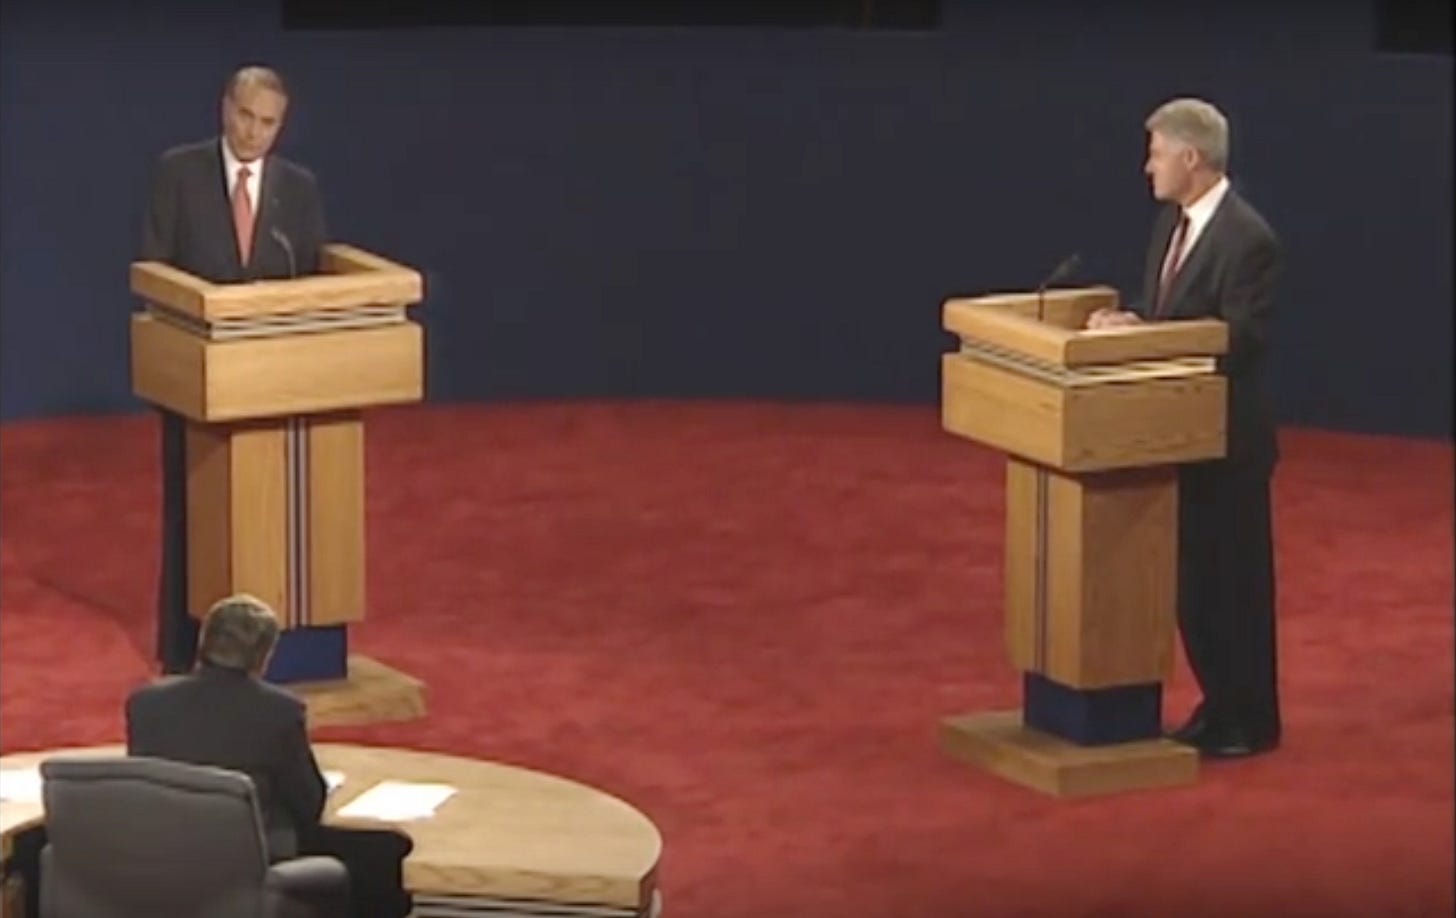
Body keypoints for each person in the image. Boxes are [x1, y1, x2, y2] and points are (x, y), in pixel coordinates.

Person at [1087, 97, 1282, 758]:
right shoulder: (1171, 226)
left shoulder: (1248, 239)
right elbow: (1169, 310)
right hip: (1179, 434)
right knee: (1196, 590)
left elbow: (1242, 338)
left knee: (1235, 586)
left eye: (1157, 154)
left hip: (1227, 440)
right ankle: (1218, 705)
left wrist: (1159, 337)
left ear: (1191, 158)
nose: (1149, 167)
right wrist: (1133, 323)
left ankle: (1250, 721)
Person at [139, 64, 328, 674]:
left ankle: (280, 648)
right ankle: (182, 650)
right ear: (226, 108)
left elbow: (313, 279)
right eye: (246, 116)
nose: (253, 132)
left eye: (267, 123)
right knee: (191, 513)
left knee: (273, 513)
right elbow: (154, 269)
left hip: (274, 381)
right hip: (196, 373)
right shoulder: (179, 172)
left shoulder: (298, 188)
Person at [127, 594, 412, 918]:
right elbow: (308, 803)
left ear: (203, 642)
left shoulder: (146, 704)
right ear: (264, 656)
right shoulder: (279, 712)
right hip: (255, 865)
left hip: (165, 861)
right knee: (376, 854)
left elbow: (144, 784)